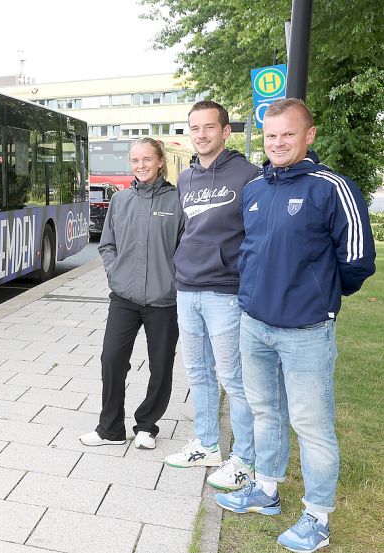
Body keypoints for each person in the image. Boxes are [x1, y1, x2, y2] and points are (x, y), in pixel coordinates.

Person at [215, 98, 375, 553]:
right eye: (271, 135)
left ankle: (317, 518)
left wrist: (318, 296)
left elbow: (358, 261)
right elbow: (250, 251)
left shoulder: (332, 187)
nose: (278, 143)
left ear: (309, 135)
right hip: (255, 324)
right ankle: (265, 491)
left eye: (288, 134)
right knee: (266, 413)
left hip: (306, 330)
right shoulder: (255, 189)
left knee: (312, 426)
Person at [164, 101, 260, 492]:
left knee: (234, 379)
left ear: (225, 131)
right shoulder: (186, 179)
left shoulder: (249, 175)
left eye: (208, 127)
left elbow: (257, 237)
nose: (201, 134)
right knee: (198, 375)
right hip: (187, 289)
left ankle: (246, 459)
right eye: (194, 128)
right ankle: (207, 445)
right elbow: (188, 230)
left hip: (225, 292)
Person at [79, 138, 184, 450]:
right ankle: (109, 428)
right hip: (124, 297)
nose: (141, 165)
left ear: (160, 162)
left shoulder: (176, 202)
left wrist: (174, 283)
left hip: (164, 300)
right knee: (111, 359)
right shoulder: (121, 200)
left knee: (161, 365)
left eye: (147, 159)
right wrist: (115, 273)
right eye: (135, 160)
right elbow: (107, 245)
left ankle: (147, 426)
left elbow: (185, 249)